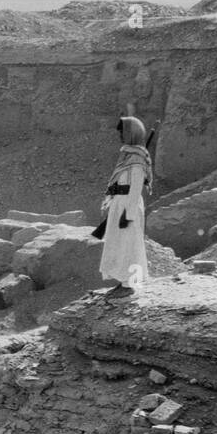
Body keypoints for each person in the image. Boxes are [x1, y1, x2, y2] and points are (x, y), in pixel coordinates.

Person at [98, 115, 153, 298]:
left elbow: (136, 188)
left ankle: (128, 284)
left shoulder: (137, 160)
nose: (121, 135)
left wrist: (127, 214)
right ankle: (122, 281)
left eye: (124, 131)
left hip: (128, 206)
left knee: (128, 245)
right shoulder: (128, 155)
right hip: (120, 204)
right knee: (118, 244)